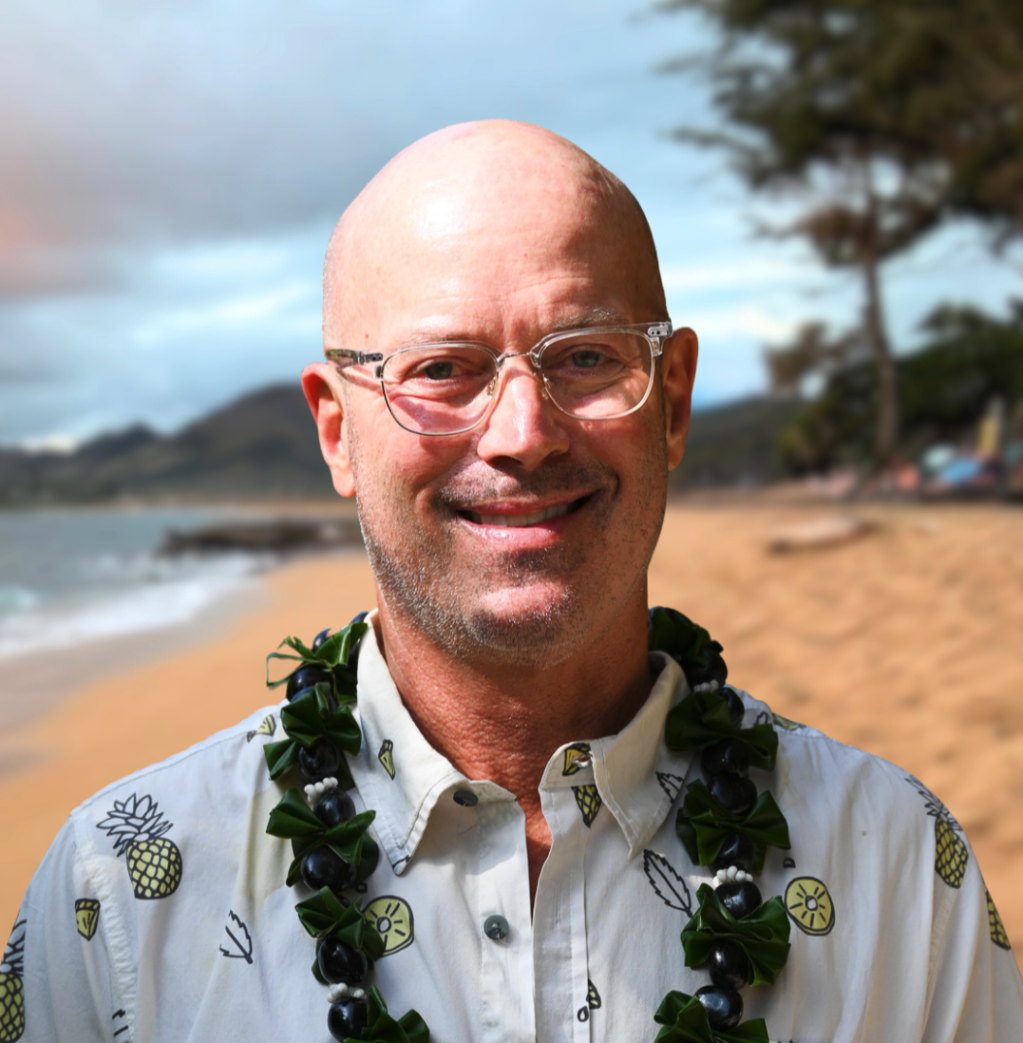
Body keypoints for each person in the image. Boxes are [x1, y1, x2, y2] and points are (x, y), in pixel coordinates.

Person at [5, 121, 1022, 1043]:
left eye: (583, 357)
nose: (524, 433)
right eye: (443, 368)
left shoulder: (894, 866)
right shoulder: (119, 897)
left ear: (672, 405)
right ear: (336, 431)